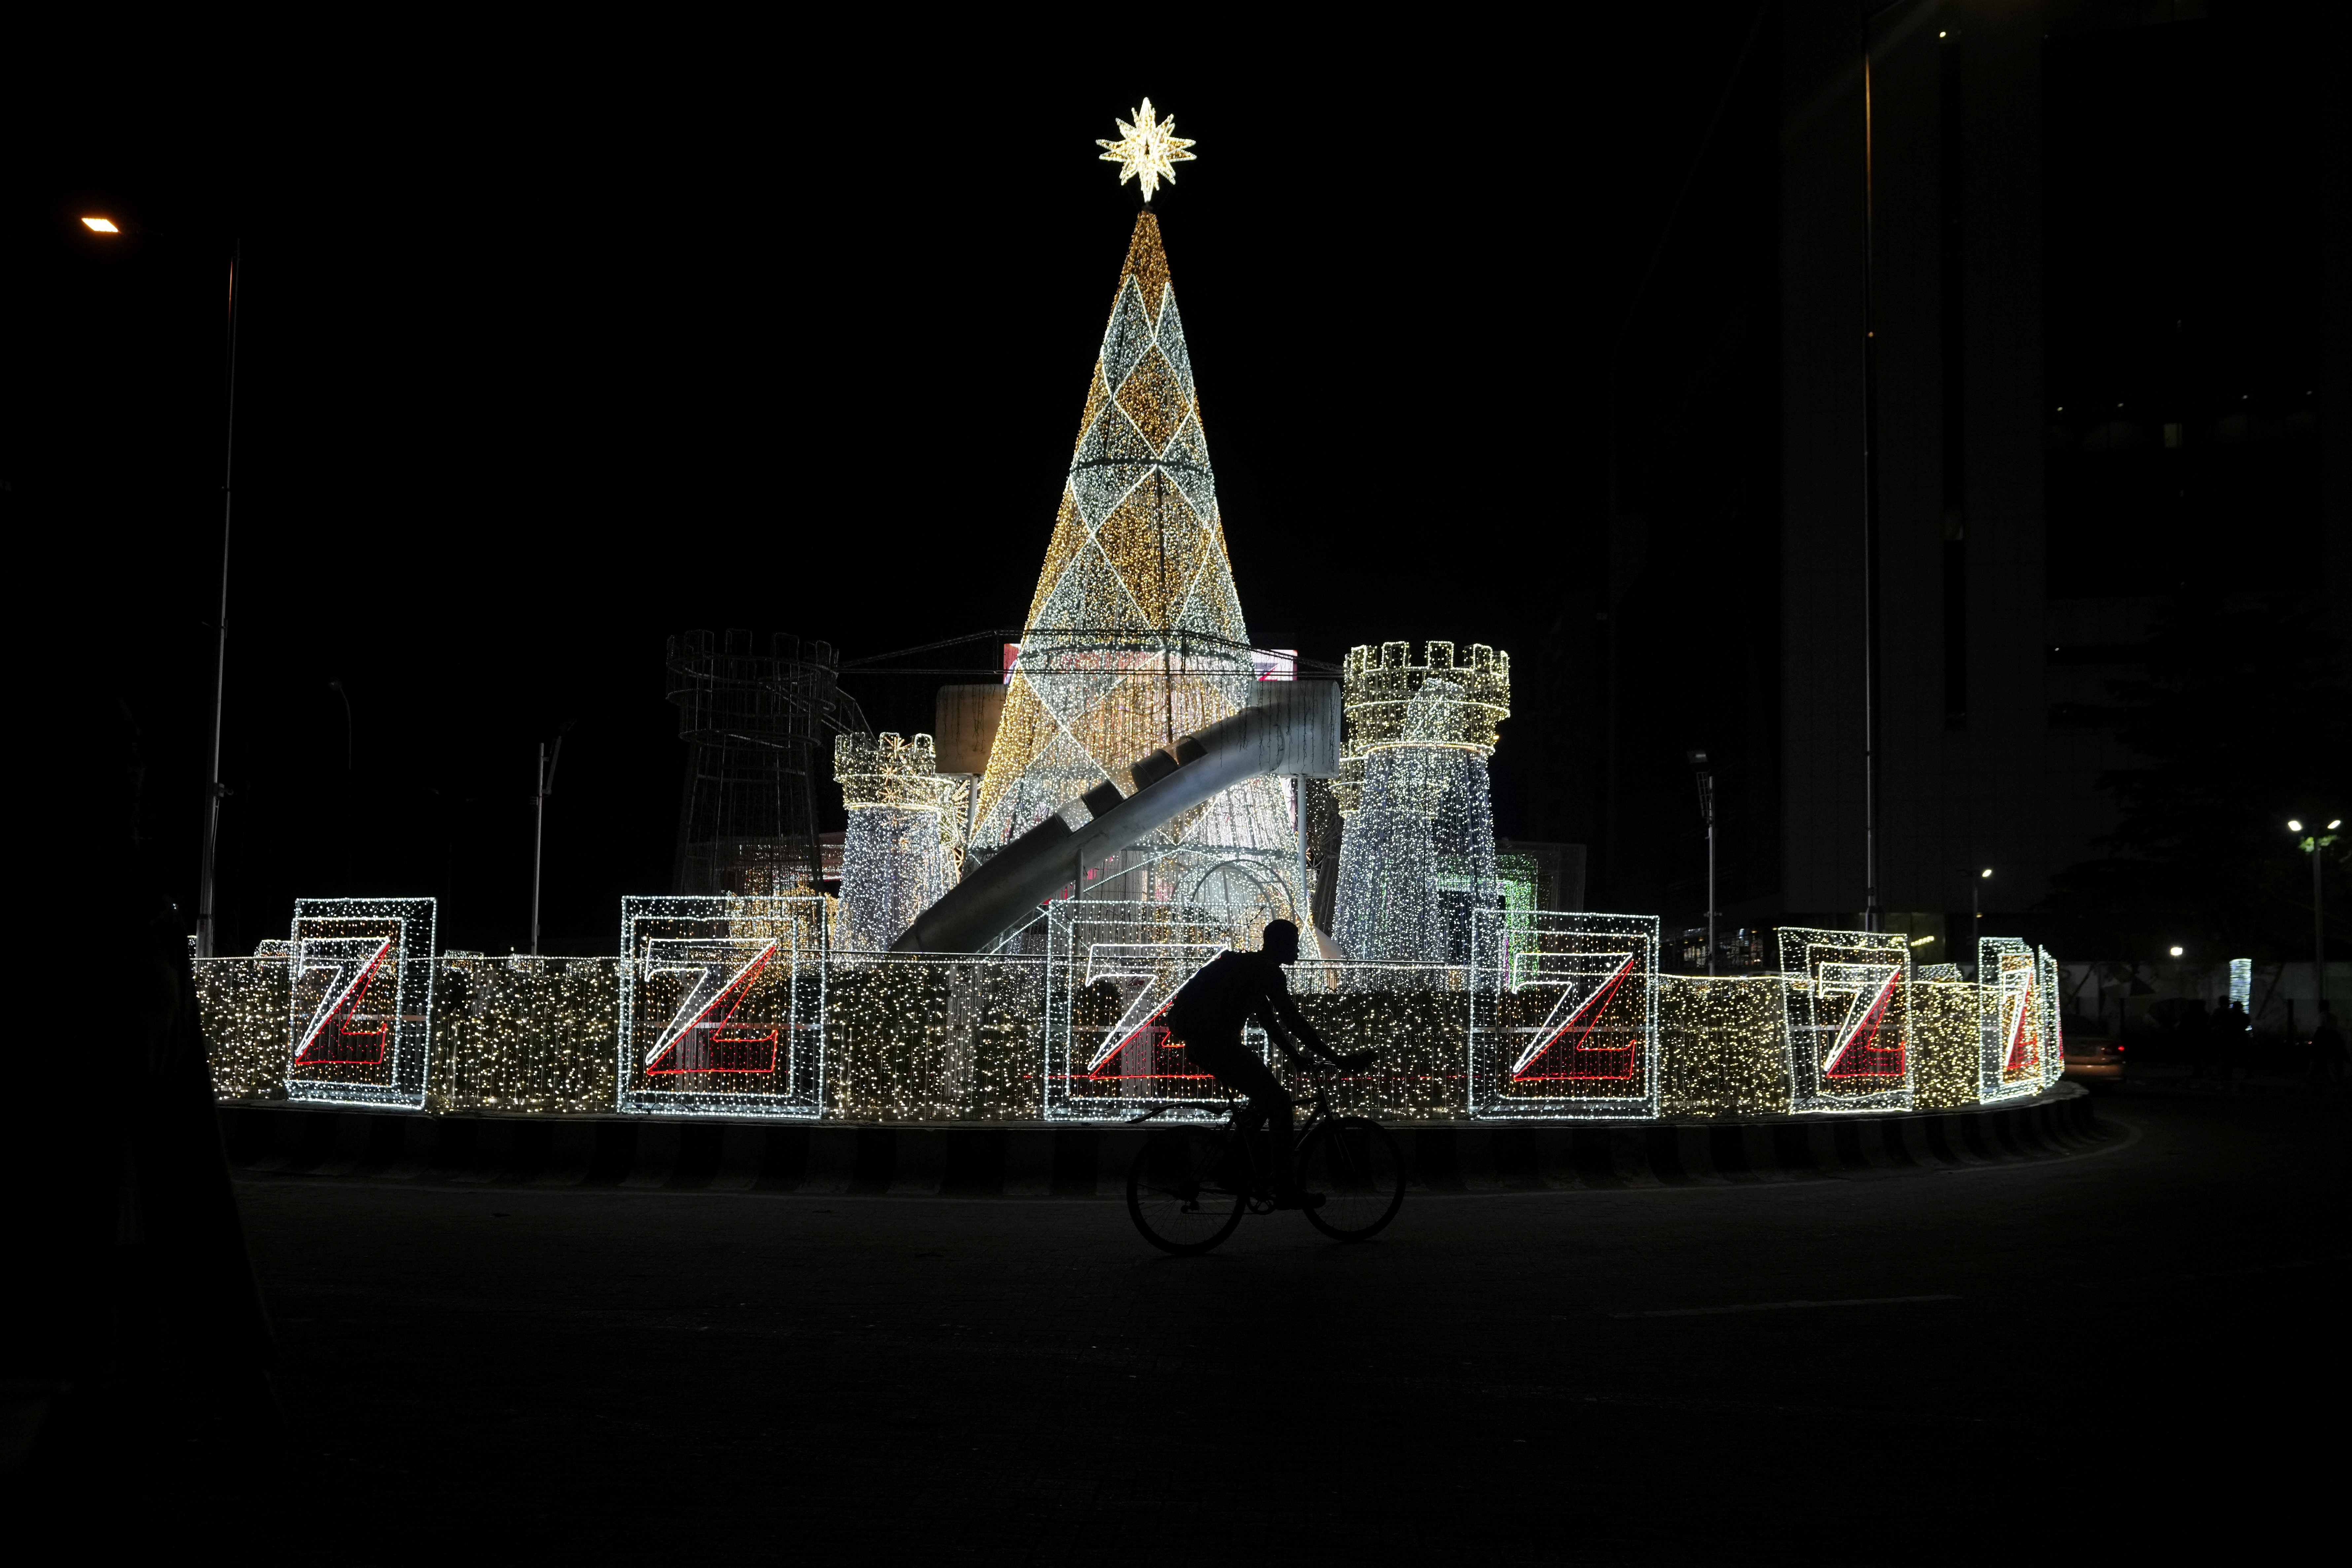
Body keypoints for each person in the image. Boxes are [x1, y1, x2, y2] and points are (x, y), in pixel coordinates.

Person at [1160, 919, 1370, 1210]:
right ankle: (1285, 1188)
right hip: (1218, 1046)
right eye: (1293, 942)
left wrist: (1296, 1058)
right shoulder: (1268, 972)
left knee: (1263, 1102)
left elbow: (1272, 1025)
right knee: (1281, 1104)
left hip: (1206, 1044)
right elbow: (1293, 1021)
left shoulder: (1252, 967)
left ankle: (1229, 1166)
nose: (1297, 948)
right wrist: (1340, 1060)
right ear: (1279, 944)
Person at [2311, 1002, 2348, 1083]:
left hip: (2325, 1038)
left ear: (2321, 1007)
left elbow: (2321, 1029)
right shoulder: (2334, 1017)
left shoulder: (2322, 1015)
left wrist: (2316, 1040)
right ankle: (2336, 1078)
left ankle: (2310, 1075)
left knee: (2318, 1058)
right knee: (2332, 1059)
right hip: (2334, 1038)